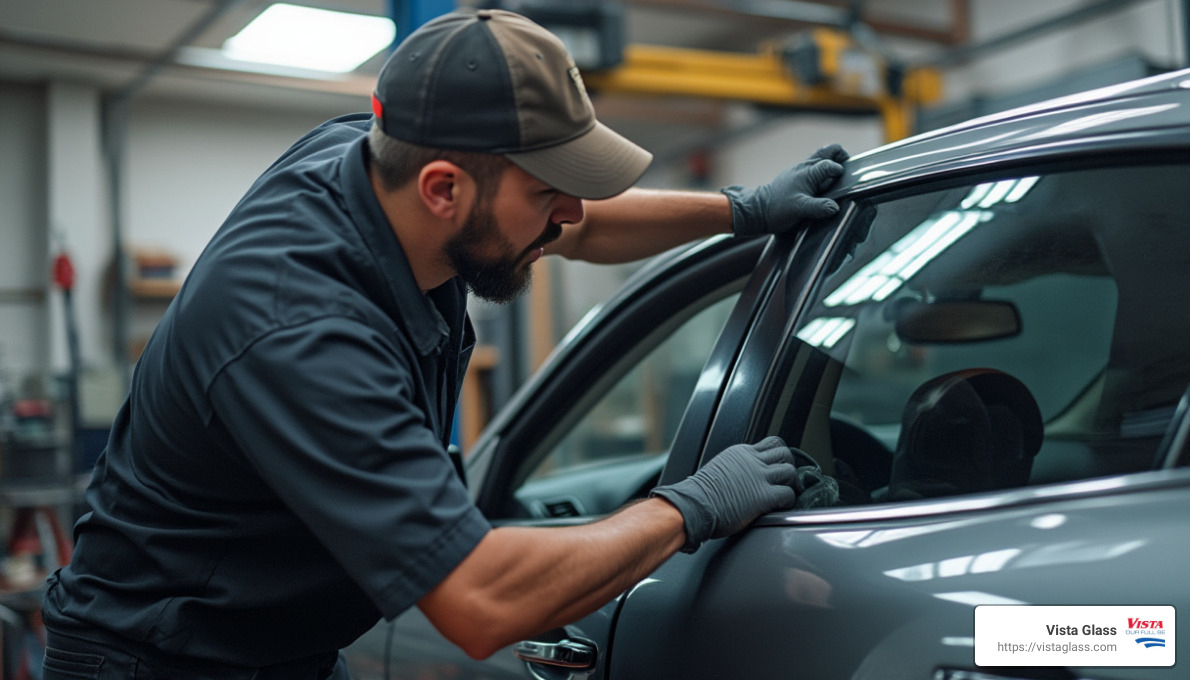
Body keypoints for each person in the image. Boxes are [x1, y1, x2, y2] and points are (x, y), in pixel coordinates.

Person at [40, 8, 847, 679]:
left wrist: (738, 210)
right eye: (545, 191)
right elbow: (477, 601)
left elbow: (576, 223)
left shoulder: (383, 161)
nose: (565, 212)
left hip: (281, 647)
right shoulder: (299, 330)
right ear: (442, 190)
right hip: (162, 661)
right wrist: (689, 506)